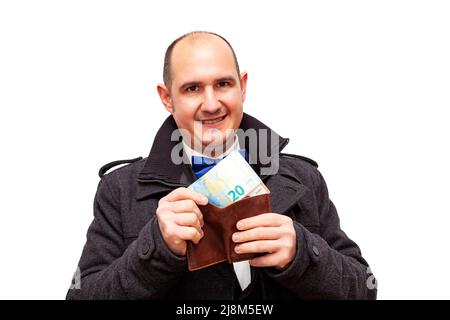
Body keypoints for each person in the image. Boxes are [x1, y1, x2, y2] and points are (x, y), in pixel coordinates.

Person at [66, 31, 377, 300]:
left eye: (223, 84)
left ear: (242, 87)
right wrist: (156, 248)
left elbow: (365, 289)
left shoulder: (305, 179)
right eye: (192, 88)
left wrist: (303, 254)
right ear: (167, 98)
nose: (212, 104)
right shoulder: (119, 190)